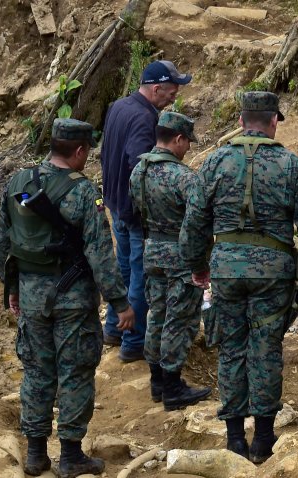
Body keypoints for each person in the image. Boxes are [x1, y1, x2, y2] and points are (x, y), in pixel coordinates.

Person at [181, 91, 298, 464]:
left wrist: (198, 265)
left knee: (231, 348)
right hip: (274, 273)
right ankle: (263, 439)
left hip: (227, 269)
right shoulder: (289, 163)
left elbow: (194, 222)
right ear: (273, 121)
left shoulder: (215, 162)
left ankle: (234, 438)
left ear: (242, 120)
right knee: (265, 348)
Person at [0, 119, 136, 478]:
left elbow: (1, 247)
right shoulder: (84, 192)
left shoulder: (17, 183)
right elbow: (101, 253)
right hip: (72, 300)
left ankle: (36, 454)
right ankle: (71, 456)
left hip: (30, 297)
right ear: (80, 151)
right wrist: (120, 303)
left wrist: (12, 288)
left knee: (37, 372)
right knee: (74, 371)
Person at [100, 60, 192, 362]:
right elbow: (138, 165)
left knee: (125, 270)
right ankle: (134, 342)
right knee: (140, 276)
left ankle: (114, 329)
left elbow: (106, 152)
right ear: (155, 88)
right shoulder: (143, 118)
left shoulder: (119, 106)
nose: (173, 98)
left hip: (115, 204)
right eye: (171, 92)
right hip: (134, 212)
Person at [128, 112, 212, 410]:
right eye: (187, 141)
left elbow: (137, 211)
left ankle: (157, 382)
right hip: (180, 255)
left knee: (157, 315)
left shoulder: (139, 170)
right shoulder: (184, 177)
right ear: (177, 139)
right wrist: (200, 262)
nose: (188, 148)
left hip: (152, 251)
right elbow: (198, 222)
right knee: (181, 320)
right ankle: (173, 388)